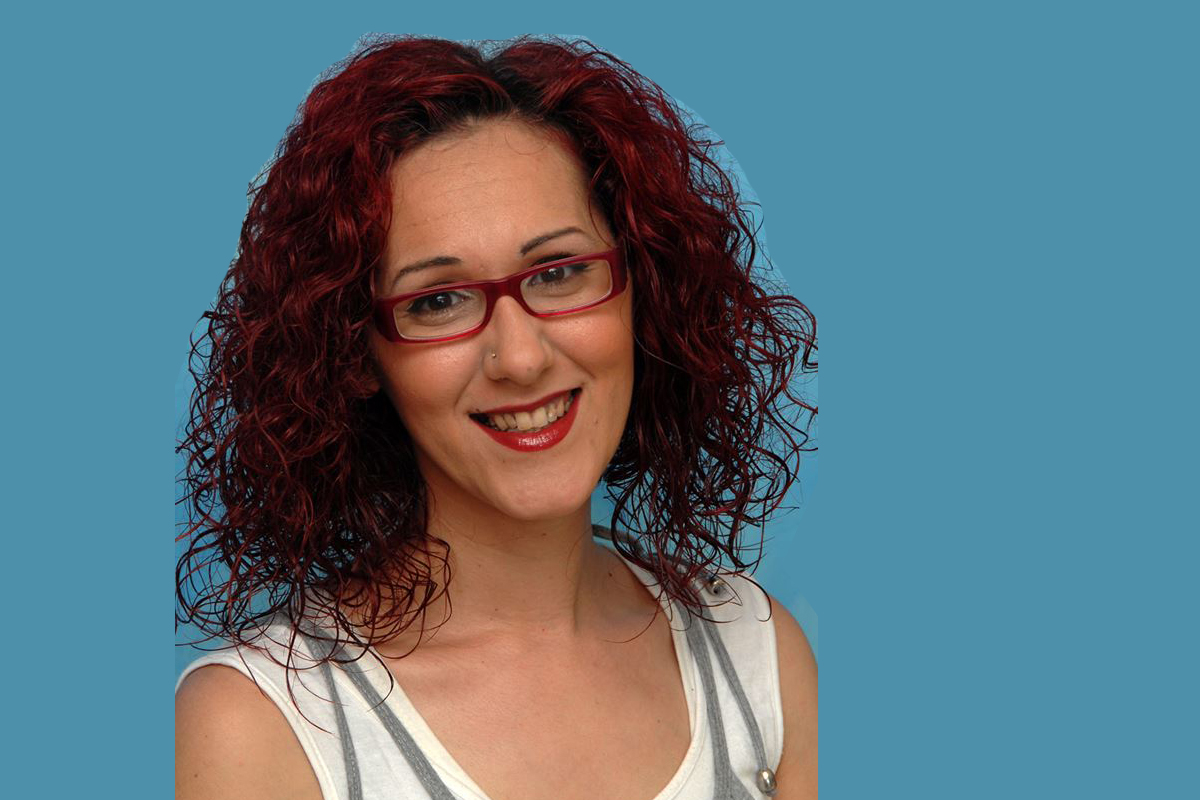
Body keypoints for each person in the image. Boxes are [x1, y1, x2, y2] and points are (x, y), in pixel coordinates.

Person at [175, 35, 818, 800]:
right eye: (438, 300)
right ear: (354, 354)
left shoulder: (757, 656)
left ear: (642, 287)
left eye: (559, 271)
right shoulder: (257, 727)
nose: (519, 357)